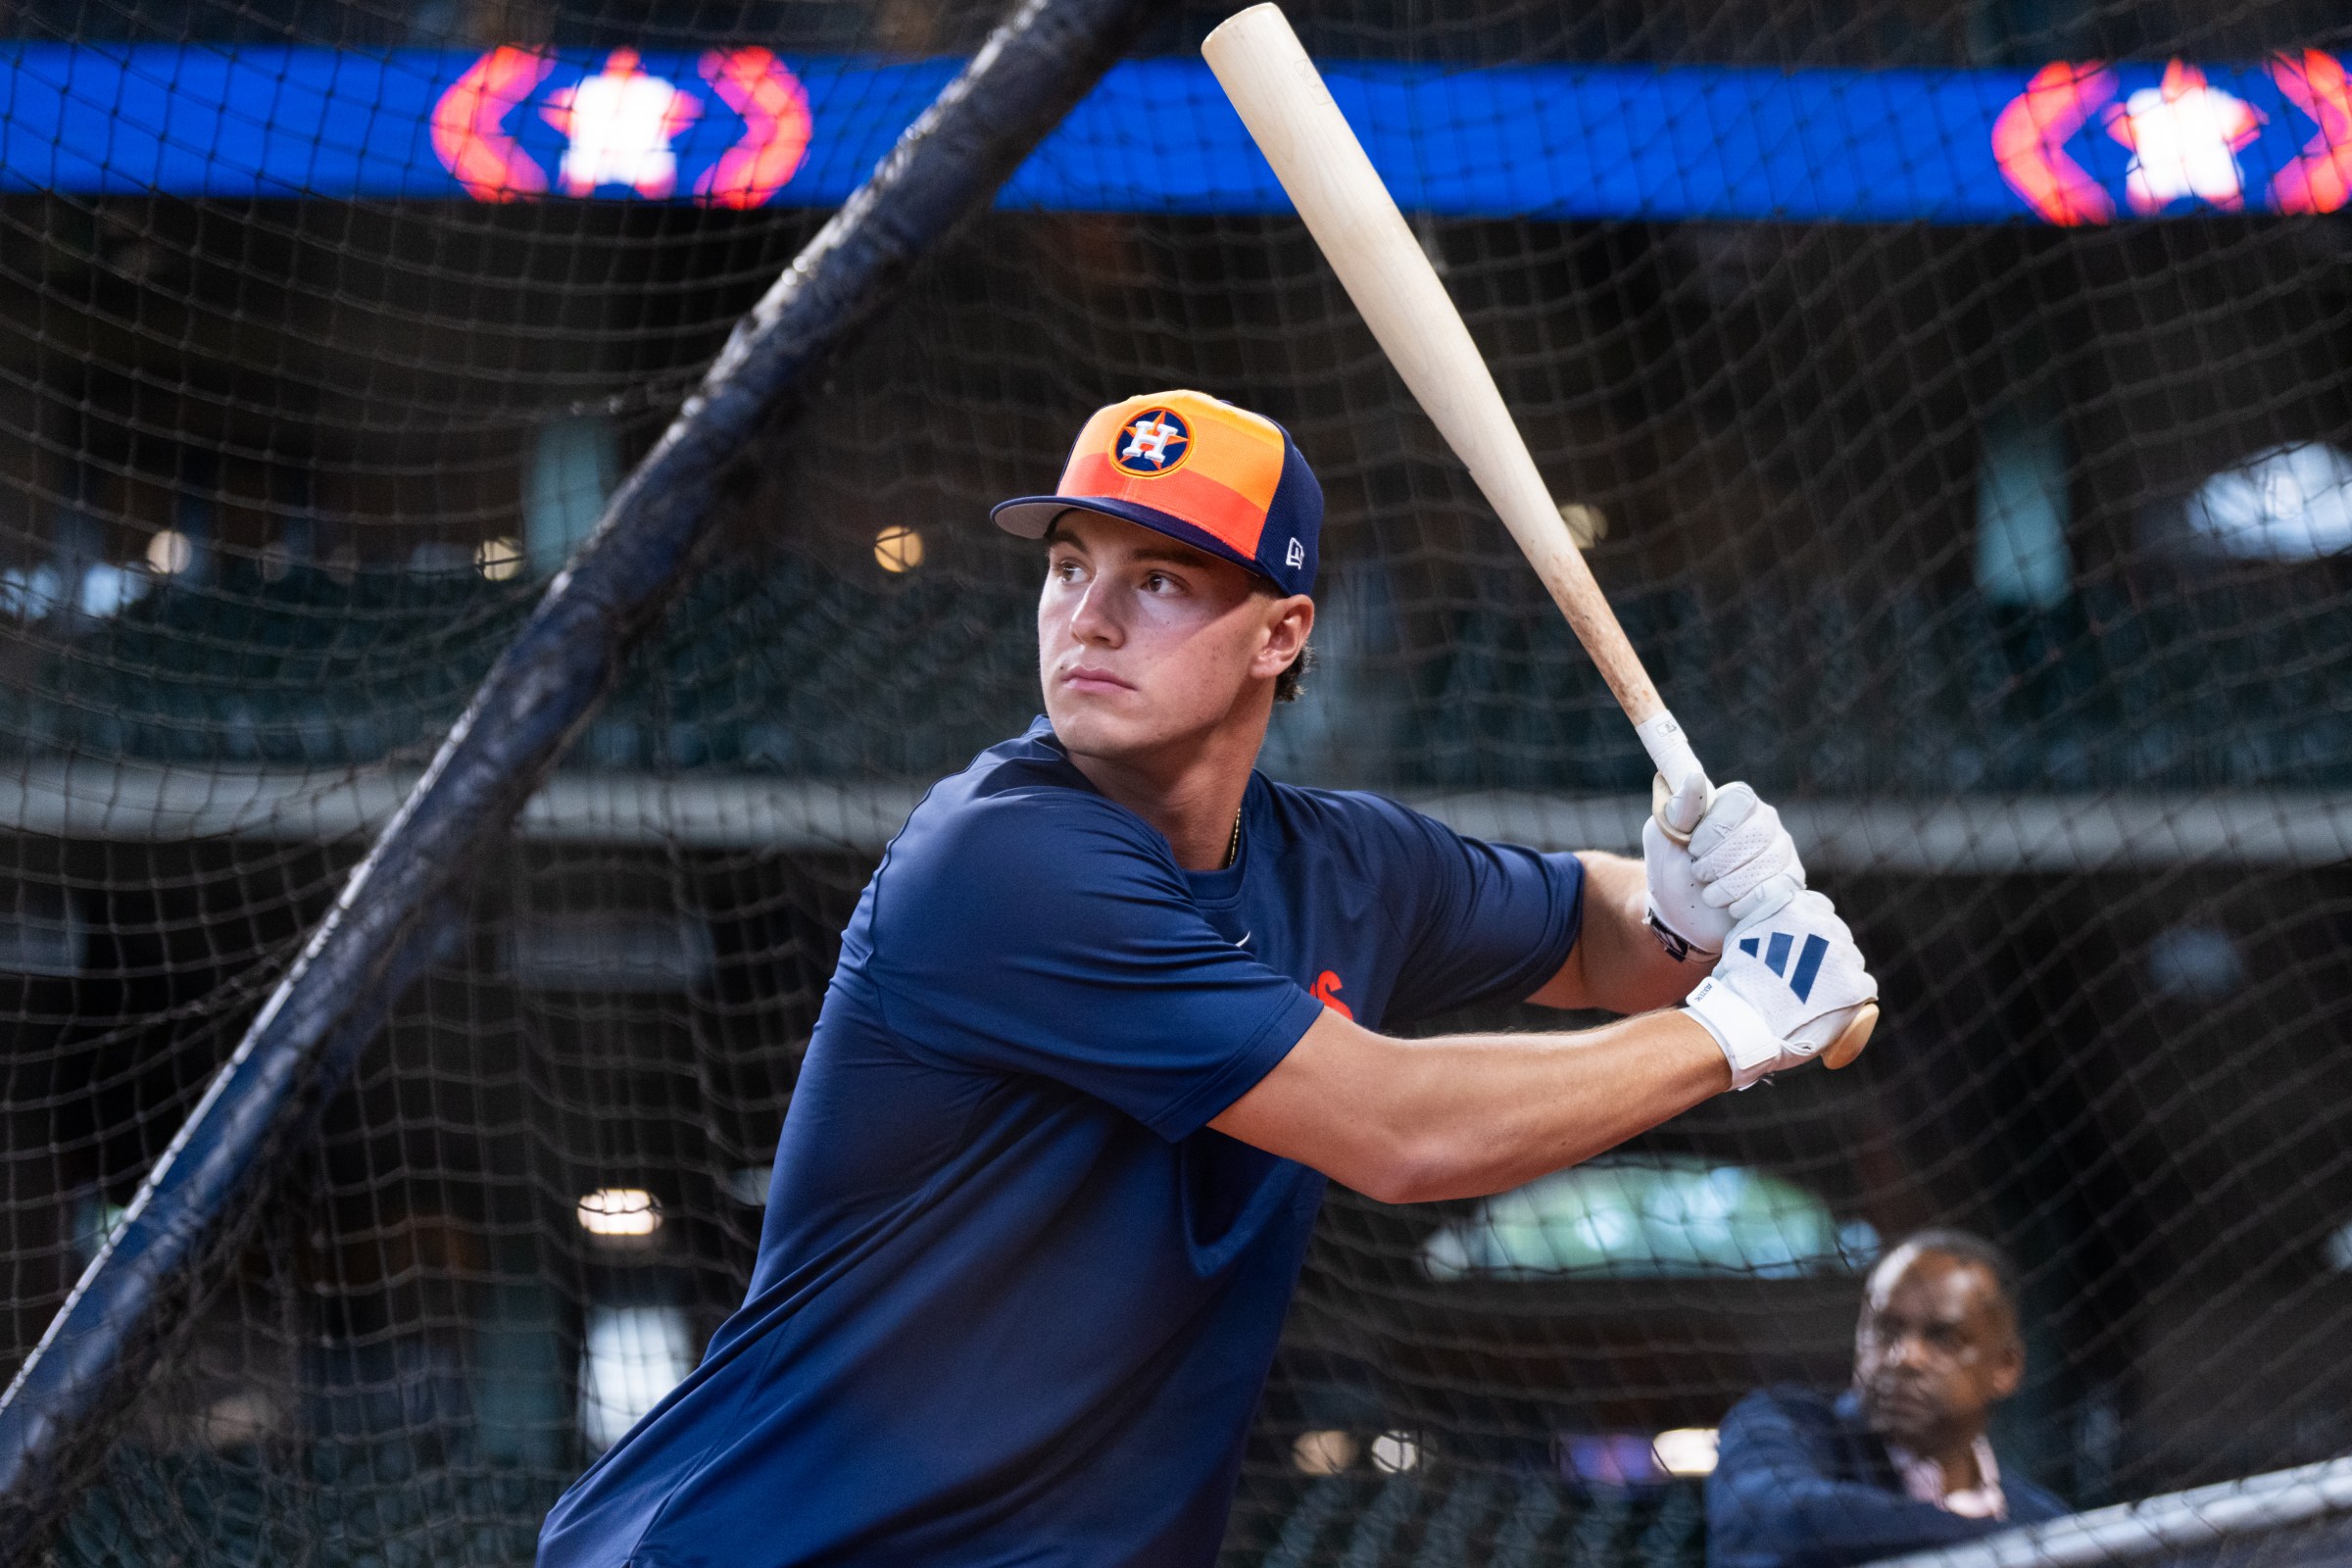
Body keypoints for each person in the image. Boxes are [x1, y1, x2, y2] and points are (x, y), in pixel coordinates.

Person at [537, 390, 1878, 1568]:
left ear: (1281, 634)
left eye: (1161, 580)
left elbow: (1592, 930)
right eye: (1069, 566)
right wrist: (1740, 1021)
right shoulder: (1003, 864)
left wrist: (1689, 907)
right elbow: (1405, 1133)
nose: (1089, 617)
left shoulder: (1339, 860)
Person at [1707, 1230, 2070, 1568]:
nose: (1905, 1357)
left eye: (1943, 1338)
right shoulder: (1782, 1427)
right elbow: (1770, 1519)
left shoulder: (2043, 1519)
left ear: (2005, 1368)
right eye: (1885, 1329)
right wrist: (2010, 1545)